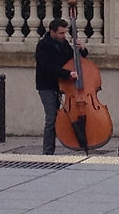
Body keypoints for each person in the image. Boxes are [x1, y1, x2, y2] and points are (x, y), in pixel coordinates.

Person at [34, 17, 84, 155]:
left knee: (59, 116)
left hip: (63, 84)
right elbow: (47, 67)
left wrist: (82, 50)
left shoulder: (63, 43)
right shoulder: (43, 45)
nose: (64, 36)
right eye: (61, 33)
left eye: (65, 33)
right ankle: (47, 152)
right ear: (52, 32)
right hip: (47, 85)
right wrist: (68, 74)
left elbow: (73, 59)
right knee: (51, 118)